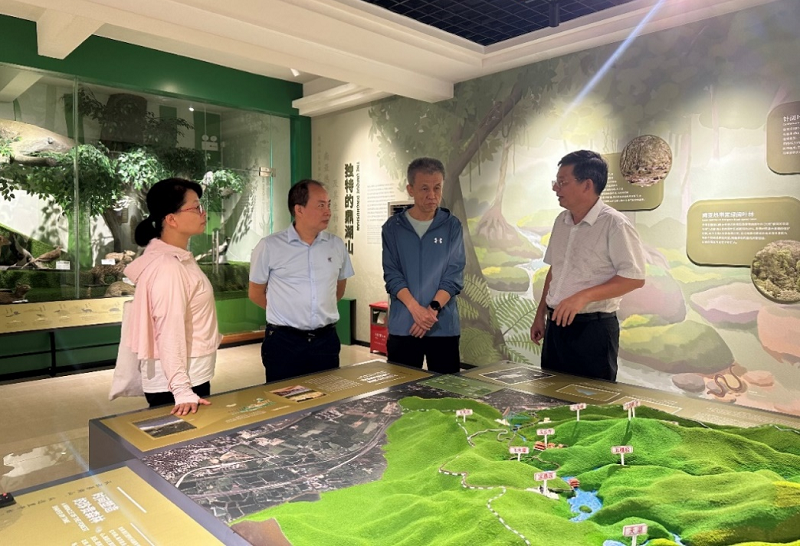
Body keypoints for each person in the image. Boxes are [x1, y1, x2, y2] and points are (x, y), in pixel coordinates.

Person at [530, 150, 646, 382]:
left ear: (587, 185)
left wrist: (582, 297)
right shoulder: (561, 221)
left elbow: (634, 277)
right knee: (550, 393)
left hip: (593, 329)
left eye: (562, 182)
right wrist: (540, 314)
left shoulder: (615, 224)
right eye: (556, 182)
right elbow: (556, 270)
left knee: (592, 399)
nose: (556, 188)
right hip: (555, 326)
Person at [123, 178, 222, 415]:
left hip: (189, 375)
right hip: (179, 384)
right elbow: (169, 329)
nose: (203, 213)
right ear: (171, 219)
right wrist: (181, 389)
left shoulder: (178, 258)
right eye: (195, 207)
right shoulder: (168, 266)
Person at [249, 179, 354, 383]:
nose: (328, 212)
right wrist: (287, 312)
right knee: (284, 398)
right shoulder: (270, 246)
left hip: (325, 341)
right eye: (320, 205)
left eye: (329, 205)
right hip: (284, 342)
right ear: (299, 209)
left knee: (327, 396)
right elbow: (255, 293)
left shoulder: (336, 245)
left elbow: (339, 288)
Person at [382, 157, 466, 373]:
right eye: (424, 188)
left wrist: (431, 311)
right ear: (410, 189)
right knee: (402, 389)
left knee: (447, 389)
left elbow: (454, 275)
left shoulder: (452, 226)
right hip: (404, 326)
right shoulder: (393, 228)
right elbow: (392, 275)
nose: (432, 195)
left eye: (437, 188)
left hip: (442, 326)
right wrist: (415, 310)